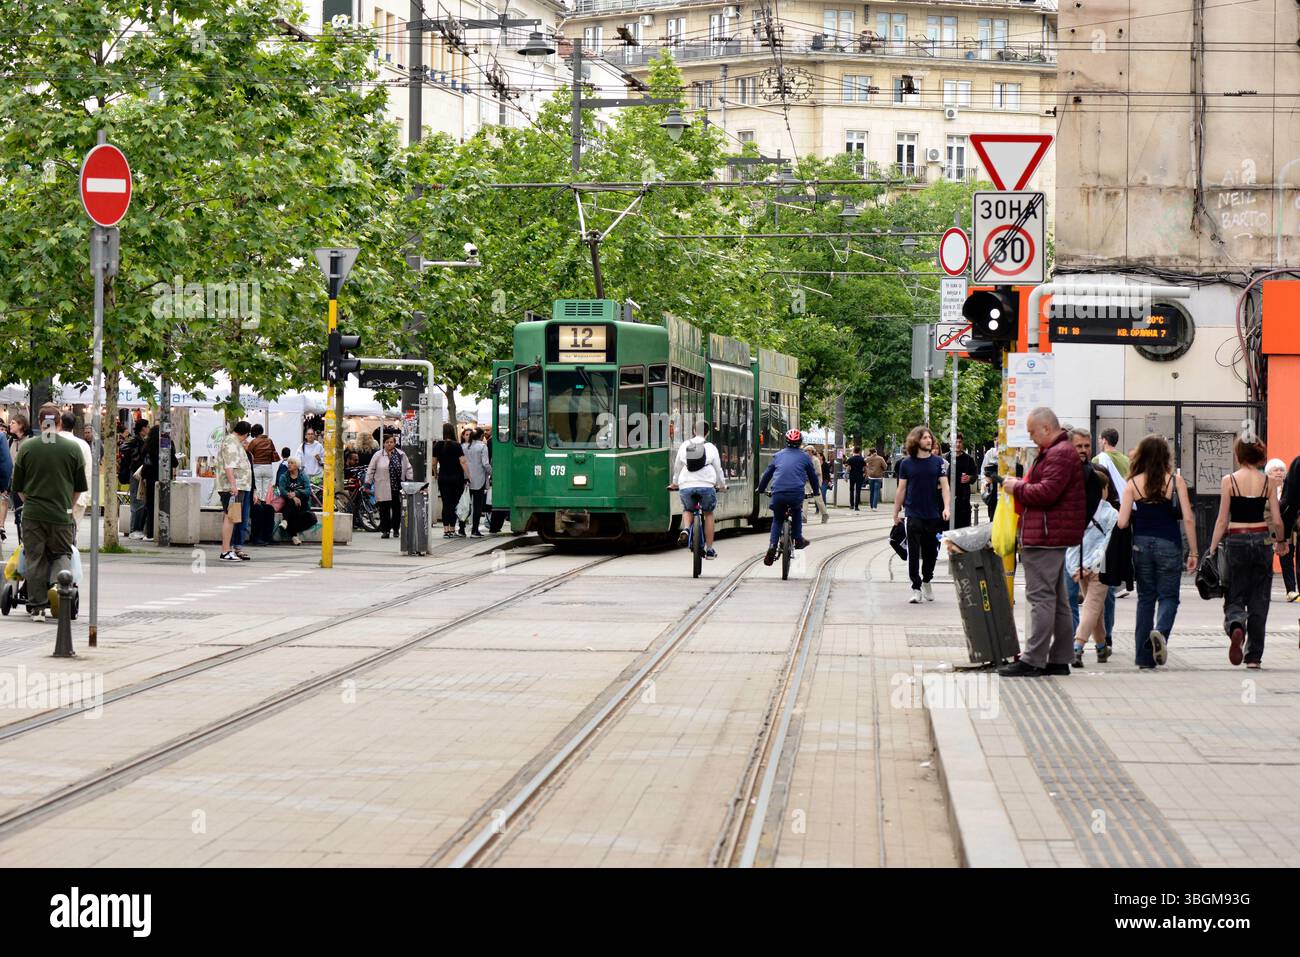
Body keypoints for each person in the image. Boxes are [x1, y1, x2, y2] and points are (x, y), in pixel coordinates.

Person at [997, 408, 1086, 677]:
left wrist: (1015, 487)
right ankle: (1059, 658)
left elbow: (1047, 492)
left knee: (1041, 598)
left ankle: (1033, 659)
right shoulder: (1058, 451)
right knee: (1057, 599)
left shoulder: (1058, 454)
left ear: (1046, 428)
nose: (1030, 437)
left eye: (1033, 432)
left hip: (1045, 535)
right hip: (1051, 532)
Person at [1116, 435, 1197, 670]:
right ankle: (1160, 633)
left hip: (1140, 544)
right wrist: (1193, 552)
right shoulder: (1175, 482)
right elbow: (1189, 519)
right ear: (1165, 456)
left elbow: (1122, 523)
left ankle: (1143, 658)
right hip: (1169, 544)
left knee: (1145, 599)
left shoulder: (1132, 483)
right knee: (1169, 597)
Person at [1207, 437, 1287, 669]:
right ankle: (1253, 656)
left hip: (1237, 539)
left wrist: (1212, 549)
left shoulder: (1229, 481)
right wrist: (1280, 541)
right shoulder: (1268, 482)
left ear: (1239, 455)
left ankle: (1236, 625)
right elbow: (1278, 520)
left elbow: (1222, 520)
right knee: (1260, 598)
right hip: (1262, 540)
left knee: (1235, 592)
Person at [9, 405, 87, 621]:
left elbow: (19, 487)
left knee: (35, 557)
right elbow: (79, 486)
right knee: (62, 553)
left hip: (33, 513)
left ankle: (37, 607)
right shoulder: (72, 449)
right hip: (61, 513)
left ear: (40, 421)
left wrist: (29, 502)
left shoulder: (27, 448)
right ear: (59, 421)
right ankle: (58, 591)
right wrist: (68, 506)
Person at [892, 425, 950, 604]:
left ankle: (926, 580)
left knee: (931, 552)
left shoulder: (938, 462)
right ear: (916, 440)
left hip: (933, 514)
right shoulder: (906, 463)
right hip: (912, 513)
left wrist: (946, 507)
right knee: (913, 553)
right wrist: (896, 512)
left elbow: (945, 486)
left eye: (929, 437)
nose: (929, 440)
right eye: (925, 438)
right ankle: (915, 587)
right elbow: (901, 489)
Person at [1068, 465, 1118, 667]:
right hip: (1101, 567)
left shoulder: (1077, 511)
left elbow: (1070, 544)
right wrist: (1089, 565)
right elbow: (1107, 544)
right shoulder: (1110, 513)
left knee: (1094, 607)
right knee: (1092, 607)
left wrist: (1076, 567)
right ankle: (1077, 647)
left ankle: (1100, 647)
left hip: (1081, 568)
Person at [756, 429, 819, 566]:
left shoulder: (778, 456)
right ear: (800, 442)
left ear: (786, 441)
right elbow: (813, 477)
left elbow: (767, 475)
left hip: (778, 492)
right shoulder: (805, 458)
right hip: (796, 493)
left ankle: (772, 545)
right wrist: (816, 491)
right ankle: (798, 539)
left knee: (778, 519)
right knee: (796, 511)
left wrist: (760, 489)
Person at [670, 421, 726, 559]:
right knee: (708, 514)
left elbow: (677, 466)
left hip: (686, 484)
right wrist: (722, 485)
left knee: (688, 509)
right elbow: (718, 469)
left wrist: (674, 483)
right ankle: (710, 549)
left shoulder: (684, 445)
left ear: (694, 431)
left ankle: (687, 529)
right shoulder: (711, 447)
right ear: (707, 432)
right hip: (706, 485)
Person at [214, 421, 253, 563]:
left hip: (237, 486)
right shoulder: (231, 442)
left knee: (232, 517)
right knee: (230, 517)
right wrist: (233, 485)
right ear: (245, 433)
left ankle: (227, 550)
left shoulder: (234, 441)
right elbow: (229, 466)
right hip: (232, 487)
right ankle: (225, 551)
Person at [365, 433, 413, 541]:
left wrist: (409, 479)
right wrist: (367, 482)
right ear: (383, 443)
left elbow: (408, 467)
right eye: (387, 442)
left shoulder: (401, 454)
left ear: (395, 443)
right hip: (383, 485)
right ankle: (385, 530)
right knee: (384, 509)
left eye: (391, 442)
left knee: (397, 509)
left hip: (397, 485)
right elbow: (371, 469)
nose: (389, 444)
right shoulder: (378, 455)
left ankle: (396, 529)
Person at [1266, 458, 1297, 602]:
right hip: (1267, 530)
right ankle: (1264, 591)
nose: (1279, 473)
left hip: (1285, 530)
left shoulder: (1289, 489)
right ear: (1268, 473)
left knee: (1287, 560)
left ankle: (1291, 590)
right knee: (1265, 563)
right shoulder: (1264, 487)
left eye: (1281, 470)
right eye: (1275, 470)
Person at [57, 412, 92, 537]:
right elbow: (88, 472)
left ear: (60, 423)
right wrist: (86, 495)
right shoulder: (83, 445)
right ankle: (70, 554)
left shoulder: (51, 442)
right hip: (78, 497)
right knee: (72, 532)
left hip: (56, 497)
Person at [141, 424, 178, 541]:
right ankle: (164, 531)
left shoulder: (147, 445)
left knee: (151, 505)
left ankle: (150, 533)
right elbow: (175, 462)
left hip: (150, 479)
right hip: (165, 478)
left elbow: (144, 459)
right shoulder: (168, 445)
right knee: (165, 505)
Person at [433, 422, 470, 539]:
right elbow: (463, 462)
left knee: (446, 503)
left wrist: (435, 472)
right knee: (454, 504)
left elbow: (433, 462)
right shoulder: (457, 445)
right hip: (456, 477)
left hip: (443, 477)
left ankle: (446, 530)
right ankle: (453, 529)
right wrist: (468, 475)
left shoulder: (438, 445)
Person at [119, 419, 149, 540]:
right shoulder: (135, 439)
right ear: (142, 428)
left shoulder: (142, 440)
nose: (148, 429)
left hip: (140, 472)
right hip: (136, 473)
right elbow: (124, 447)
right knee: (137, 501)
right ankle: (134, 529)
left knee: (141, 500)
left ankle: (138, 528)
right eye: (147, 427)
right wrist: (136, 457)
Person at [276, 456, 316, 545]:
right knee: (292, 506)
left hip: (303, 505)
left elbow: (308, 491)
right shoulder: (284, 476)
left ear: (297, 465)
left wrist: (296, 493)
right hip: (288, 504)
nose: (289, 465)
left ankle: (286, 523)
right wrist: (293, 497)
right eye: (288, 463)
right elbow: (282, 490)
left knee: (312, 518)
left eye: (292, 463)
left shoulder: (303, 476)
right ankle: (293, 535)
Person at [3, 414, 30, 541]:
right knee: (18, 515)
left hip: (27, 484)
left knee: (28, 514)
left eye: (13, 422)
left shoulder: (30, 441)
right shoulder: (10, 441)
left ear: (21, 425)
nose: (10, 425)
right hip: (14, 483)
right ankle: (21, 543)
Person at [464, 429, 492, 537]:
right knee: (477, 506)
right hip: (479, 479)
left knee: (465, 504)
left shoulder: (465, 446)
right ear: (481, 436)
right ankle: (474, 530)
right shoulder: (482, 447)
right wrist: (492, 472)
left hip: (466, 479)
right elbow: (485, 463)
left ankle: (462, 528)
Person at [951, 432, 978, 528]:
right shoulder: (946, 458)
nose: (958, 444)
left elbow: (975, 476)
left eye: (960, 442)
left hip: (963, 500)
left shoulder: (968, 459)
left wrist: (969, 478)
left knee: (964, 528)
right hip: (948, 500)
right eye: (955, 442)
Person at [247, 424, 278, 503]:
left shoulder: (253, 442)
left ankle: (258, 508)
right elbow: (273, 452)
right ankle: (266, 507)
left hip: (257, 467)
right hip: (268, 467)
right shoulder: (269, 441)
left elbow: (248, 453)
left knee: (257, 489)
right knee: (267, 491)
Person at [846, 446, 866, 511]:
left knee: (851, 490)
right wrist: (865, 474)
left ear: (854, 451)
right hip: (859, 476)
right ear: (859, 451)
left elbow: (848, 468)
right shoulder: (862, 459)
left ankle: (851, 505)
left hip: (852, 476)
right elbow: (865, 468)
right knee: (858, 491)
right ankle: (856, 506)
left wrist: (846, 475)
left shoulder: (850, 459)